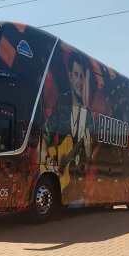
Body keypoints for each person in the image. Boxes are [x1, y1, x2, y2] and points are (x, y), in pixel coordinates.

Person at [41, 51, 94, 205]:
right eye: (76, 75)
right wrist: (45, 155)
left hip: (77, 188)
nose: (79, 80)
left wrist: (88, 149)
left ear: (84, 80)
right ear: (70, 76)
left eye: (81, 76)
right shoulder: (61, 103)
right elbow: (45, 134)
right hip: (59, 177)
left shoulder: (88, 115)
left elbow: (89, 159)